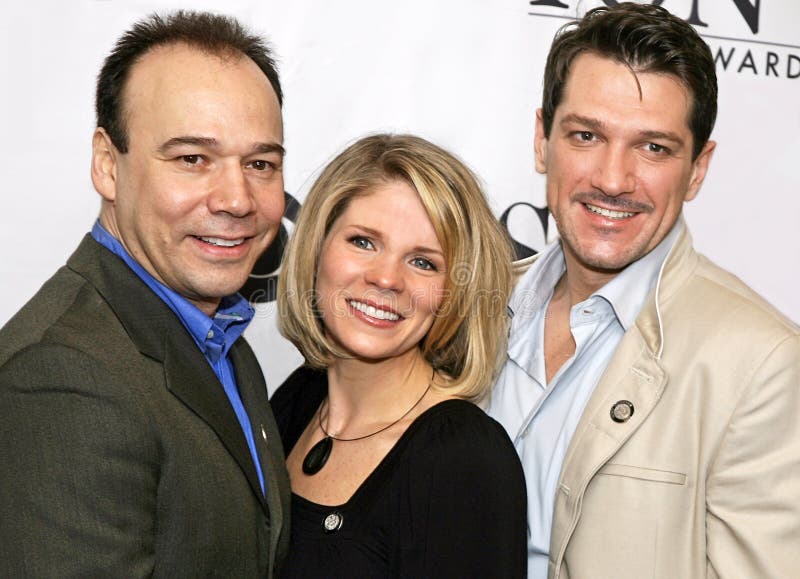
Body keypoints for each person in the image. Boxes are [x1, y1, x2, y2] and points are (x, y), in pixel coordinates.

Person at [486, 3, 800, 578]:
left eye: (653, 147)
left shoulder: (762, 363)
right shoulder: (470, 306)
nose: (612, 178)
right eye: (586, 135)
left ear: (698, 169)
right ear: (542, 139)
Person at [0, 11, 291, 577]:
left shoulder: (216, 334)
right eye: (191, 159)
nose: (236, 199)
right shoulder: (62, 375)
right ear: (108, 165)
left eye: (260, 164)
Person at [272, 133, 527, 577]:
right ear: (317, 247)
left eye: (423, 262)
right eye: (364, 242)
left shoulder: (465, 459)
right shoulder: (298, 399)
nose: (387, 278)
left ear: (454, 293)